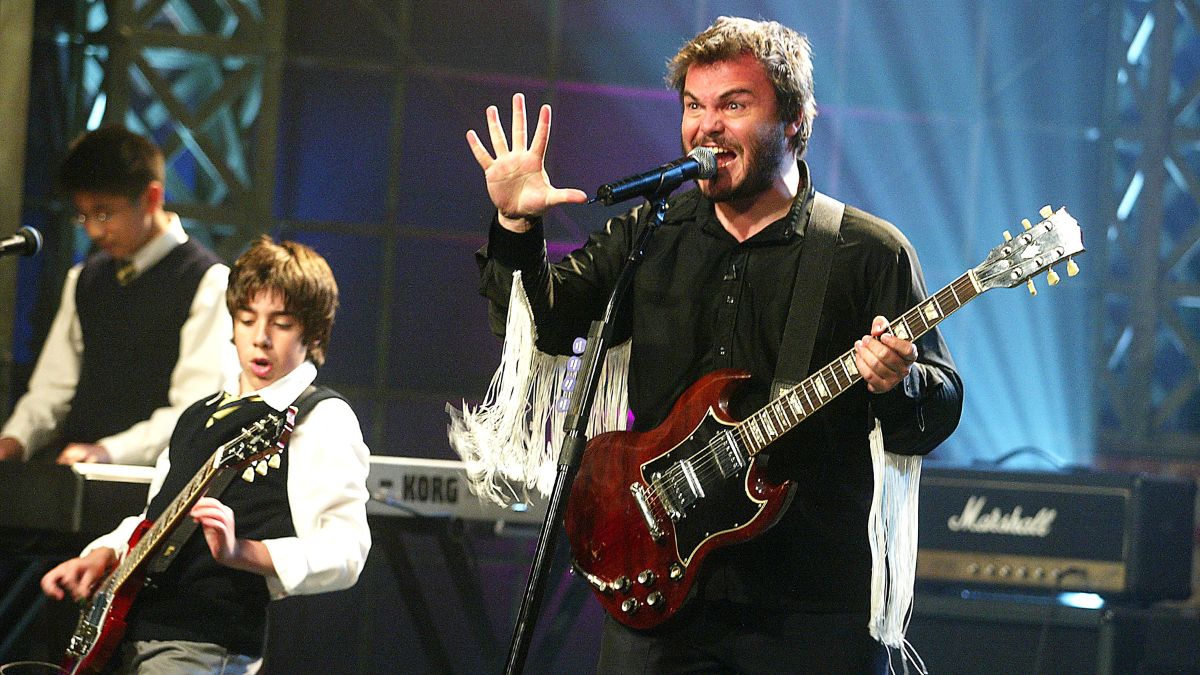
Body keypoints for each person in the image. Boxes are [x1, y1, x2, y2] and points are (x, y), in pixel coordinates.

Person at [463, 16, 962, 673]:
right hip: (660, 600)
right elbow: (541, 324)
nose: (707, 126)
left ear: (794, 121)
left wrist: (900, 382)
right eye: (694, 106)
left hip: (806, 612)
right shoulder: (654, 230)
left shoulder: (865, 251)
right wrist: (517, 222)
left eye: (734, 104)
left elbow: (938, 406)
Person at [40, 236, 371, 672]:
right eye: (247, 319)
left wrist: (242, 552)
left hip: (205, 641)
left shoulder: (320, 416)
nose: (261, 339)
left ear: (312, 331)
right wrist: (104, 553)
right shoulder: (200, 414)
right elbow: (153, 519)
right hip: (134, 631)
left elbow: (346, 550)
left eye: (281, 323)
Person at [0, 125, 233, 466]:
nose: (94, 230)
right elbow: (53, 389)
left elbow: (196, 410)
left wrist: (111, 450)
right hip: (76, 472)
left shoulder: (207, 280)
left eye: (104, 213)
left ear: (152, 198)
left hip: (150, 486)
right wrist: (15, 438)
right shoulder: (85, 278)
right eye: (83, 215)